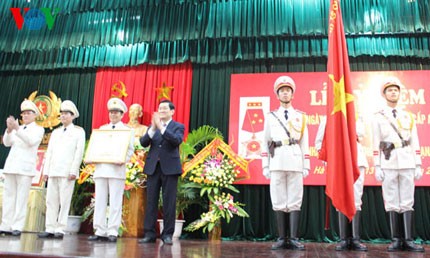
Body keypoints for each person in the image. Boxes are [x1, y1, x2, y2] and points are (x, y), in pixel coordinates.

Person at [372, 77, 424, 252]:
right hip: (388, 161)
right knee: (392, 201)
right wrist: (377, 166)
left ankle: (408, 239)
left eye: (396, 90)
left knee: (408, 200)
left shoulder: (408, 116)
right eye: (390, 90)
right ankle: (396, 239)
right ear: (384, 94)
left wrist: (418, 163)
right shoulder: (378, 117)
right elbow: (375, 142)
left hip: (407, 160)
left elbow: (415, 140)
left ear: (400, 93)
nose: (393, 92)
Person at [261, 75, 310, 250]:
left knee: (295, 198)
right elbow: (265, 141)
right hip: (277, 160)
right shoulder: (271, 117)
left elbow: (305, 142)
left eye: (288, 91)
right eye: (282, 91)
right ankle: (282, 237)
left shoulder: (301, 116)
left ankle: (294, 238)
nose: (285, 93)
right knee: (279, 198)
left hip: (296, 160)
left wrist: (306, 164)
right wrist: (265, 165)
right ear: (277, 95)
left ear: (292, 94)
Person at [315, 115, 368, 251]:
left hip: (356, 161)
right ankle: (343, 238)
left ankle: (355, 238)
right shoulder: (327, 117)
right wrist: (327, 159)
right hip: (338, 161)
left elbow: (360, 134)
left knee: (356, 199)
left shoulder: (356, 116)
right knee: (340, 198)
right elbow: (319, 142)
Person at [87, 98, 134, 242]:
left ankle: (113, 230)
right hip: (101, 169)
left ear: (122, 114)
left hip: (116, 169)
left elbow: (130, 150)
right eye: (111, 112)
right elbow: (95, 148)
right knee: (100, 200)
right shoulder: (102, 130)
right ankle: (100, 230)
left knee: (115, 201)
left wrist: (123, 160)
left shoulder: (127, 131)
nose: (113, 115)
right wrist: (91, 157)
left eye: (116, 112)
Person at [138, 100, 185, 245]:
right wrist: (153, 128)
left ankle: (167, 234)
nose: (162, 111)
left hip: (170, 168)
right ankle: (149, 234)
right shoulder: (152, 127)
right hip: (153, 167)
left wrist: (162, 128)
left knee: (169, 202)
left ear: (172, 111)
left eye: (165, 108)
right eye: (159, 108)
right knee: (151, 201)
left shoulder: (178, 126)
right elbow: (143, 142)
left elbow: (176, 141)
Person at [38, 100, 86, 239]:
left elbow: (79, 152)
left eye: (66, 114)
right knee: (50, 201)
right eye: (62, 113)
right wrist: (46, 171)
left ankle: (60, 228)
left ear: (72, 116)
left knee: (64, 201)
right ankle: (50, 227)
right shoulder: (56, 132)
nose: (63, 116)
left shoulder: (78, 132)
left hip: (67, 172)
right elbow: (50, 152)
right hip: (53, 171)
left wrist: (73, 170)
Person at [0, 99, 44, 236]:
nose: (25, 116)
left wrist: (17, 128)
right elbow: (7, 143)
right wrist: (8, 130)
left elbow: (30, 141)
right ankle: (5, 225)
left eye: (28, 113)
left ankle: (17, 226)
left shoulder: (38, 129)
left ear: (35, 115)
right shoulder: (16, 129)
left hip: (25, 169)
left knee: (21, 198)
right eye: (23, 113)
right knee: (9, 197)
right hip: (12, 166)